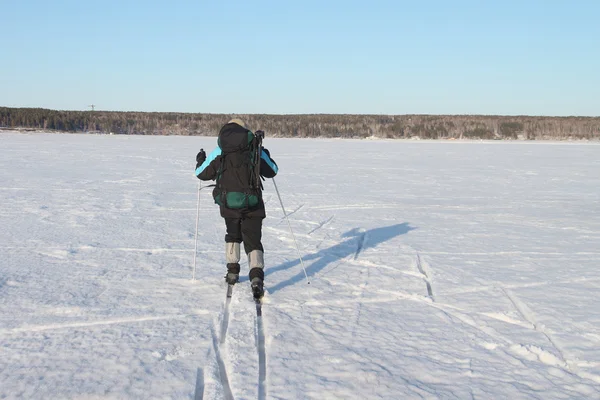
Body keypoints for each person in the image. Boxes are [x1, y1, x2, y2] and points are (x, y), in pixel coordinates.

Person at [195, 119, 278, 299]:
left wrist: (200, 159)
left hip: (228, 202)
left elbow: (201, 173)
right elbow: (272, 170)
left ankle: (232, 273)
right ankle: (256, 278)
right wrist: (265, 153)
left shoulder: (221, 149)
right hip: (253, 203)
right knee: (253, 240)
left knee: (232, 235)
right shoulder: (254, 146)